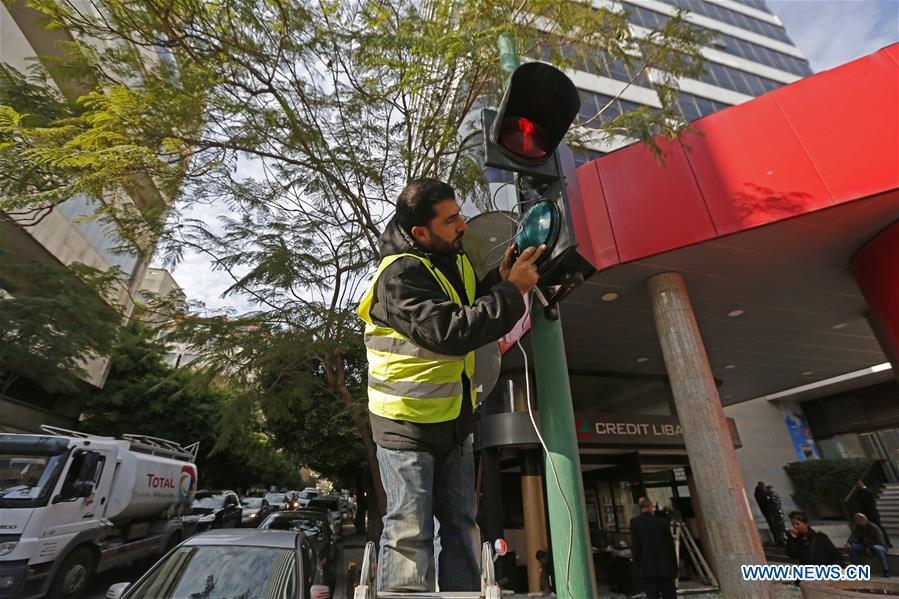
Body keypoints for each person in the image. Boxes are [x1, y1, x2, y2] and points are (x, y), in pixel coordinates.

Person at [356, 178, 545, 592]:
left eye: (459, 214)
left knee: (460, 526)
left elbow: (474, 302)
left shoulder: (452, 258)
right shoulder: (399, 276)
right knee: (409, 532)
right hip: (405, 426)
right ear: (420, 232)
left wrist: (501, 277)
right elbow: (450, 331)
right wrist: (515, 290)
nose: (462, 226)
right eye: (451, 220)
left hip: (453, 420)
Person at [630, 497, 677, 599]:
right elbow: (670, 546)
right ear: (650, 507)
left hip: (648, 569)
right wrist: (675, 568)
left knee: (652, 596)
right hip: (666, 568)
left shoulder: (635, 523)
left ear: (640, 508)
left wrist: (638, 568)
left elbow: (635, 548)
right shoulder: (663, 522)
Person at [854, 480, 892, 548]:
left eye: (859, 484)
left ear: (862, 483)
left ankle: (887, 543)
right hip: (866, 514)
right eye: (857, 484)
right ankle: (873, 544)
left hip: (872, 513)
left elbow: (871, 502)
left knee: (878, 527)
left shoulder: (868, 491)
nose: (858, 485)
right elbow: (860, 503)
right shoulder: (859, 493)